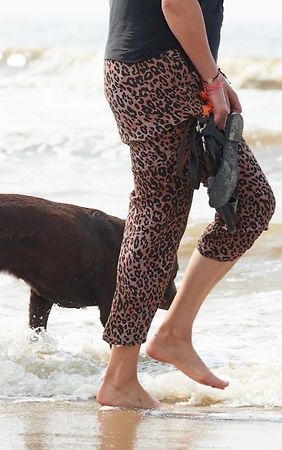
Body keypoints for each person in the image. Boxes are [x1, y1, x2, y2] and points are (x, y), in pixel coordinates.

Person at [96, 0, 276, 409]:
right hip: (158, 72)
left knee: (244, 205)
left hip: (157, 68)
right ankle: (121, 377)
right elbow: (176, 3)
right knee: (158, 215)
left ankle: (171, 335)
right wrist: (211, 79)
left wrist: (212, 75)